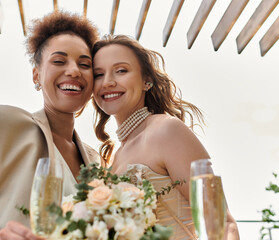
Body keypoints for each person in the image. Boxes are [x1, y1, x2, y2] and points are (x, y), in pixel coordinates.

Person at [0, 11, 100, 240]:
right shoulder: (0, 123)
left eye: (84, 64)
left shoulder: (95, 160)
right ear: (36, 76)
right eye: (59, 61)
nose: (74, 71)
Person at [92, 35, 240, 239]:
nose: (107, 82)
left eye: (121, 71)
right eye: (98, 74)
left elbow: (223, 223)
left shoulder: (167, 131)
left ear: (147, 81)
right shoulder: (115, 158)